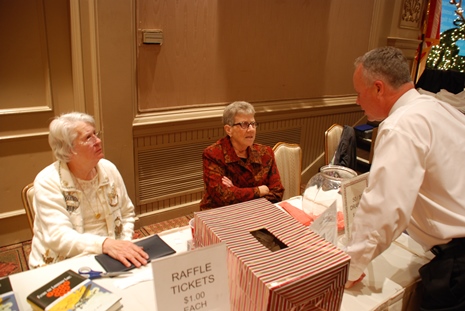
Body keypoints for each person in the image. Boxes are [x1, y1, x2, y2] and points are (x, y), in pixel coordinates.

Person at [345, 46, 465, 310]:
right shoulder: (440, 109)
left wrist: (350, 268)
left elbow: (385, 208)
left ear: (378, 88)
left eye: (358, 93)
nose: (357, 102)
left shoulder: (402, 125)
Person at [29, 112, 149, 269]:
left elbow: (127, 213)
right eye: (88, 137)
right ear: (69, 148)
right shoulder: (47, 181)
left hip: (111, 254)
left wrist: (123, 243)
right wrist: (105, 245)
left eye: (95, 134)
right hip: (64, 262)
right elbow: (60, 238)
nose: (98, 141)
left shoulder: (108, 168)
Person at [200, 101, 284, 210]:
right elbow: (223, 197)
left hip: (256, 213)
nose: (251, 129)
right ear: (228, 130)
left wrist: (235, 190)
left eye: (253, 124)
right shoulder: (213, 154)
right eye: (244, 124)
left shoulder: (266, 153)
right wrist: (259, 190)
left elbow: (277, 193)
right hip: (220, 215)